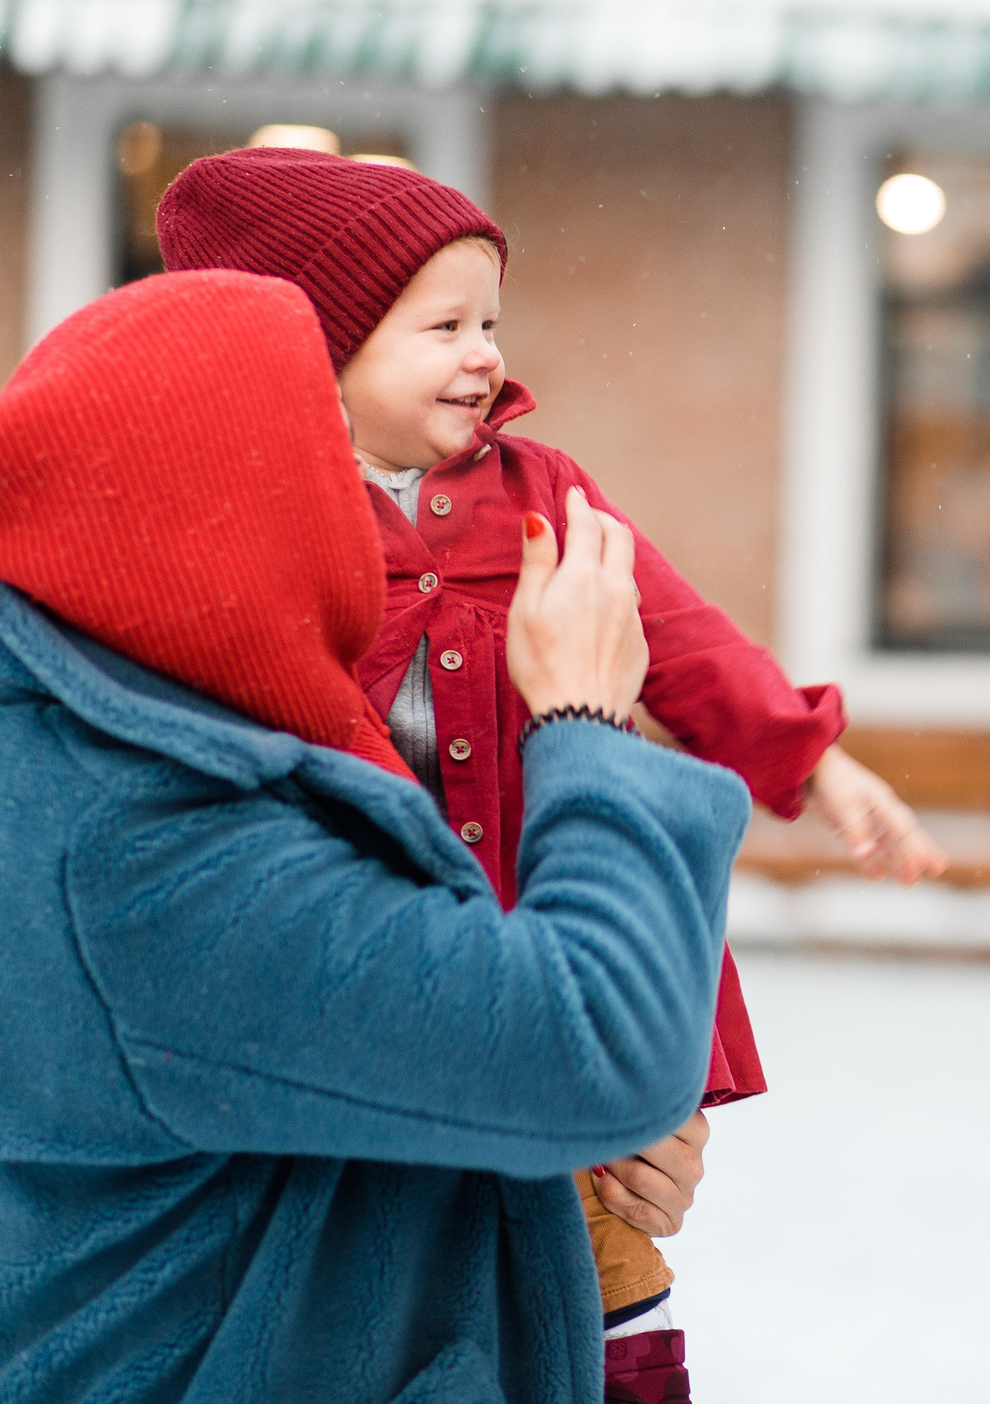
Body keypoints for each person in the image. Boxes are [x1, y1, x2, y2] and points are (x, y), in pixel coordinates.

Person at [153, 146, 945, 1400]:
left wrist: (813, 758)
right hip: (381, 969)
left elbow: (678, 639)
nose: (486, 354)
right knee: (409, 1244)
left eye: (492, 323)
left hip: (553, 928)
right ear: (322, 352)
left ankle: (625, 1365)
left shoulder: (540, 493)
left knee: (598, 1216)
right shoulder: (258, 526)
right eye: (444, 325)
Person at [0, 269, 740, 1404]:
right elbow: (586, 1048)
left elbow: (406, 1049)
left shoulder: (106, 715)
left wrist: (584, 1145)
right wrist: (585, 721)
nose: (360, 513)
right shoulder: (148, 846)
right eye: (323, 470)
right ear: (222, 520)